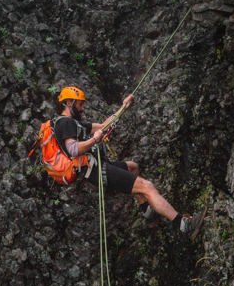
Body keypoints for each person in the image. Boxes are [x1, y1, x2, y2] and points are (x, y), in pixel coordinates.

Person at [53, 86, 202, 237]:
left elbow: (104, 126)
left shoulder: (74, 123)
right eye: (80, 104)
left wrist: (124, 106)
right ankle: (184, 225)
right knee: (147, 187)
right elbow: (72, 149)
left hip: (99, 166)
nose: (83, 108)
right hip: (97, 171)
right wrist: (94, 140)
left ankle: (147, 211)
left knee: (132, 167)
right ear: (69, 103)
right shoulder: (64, 123)